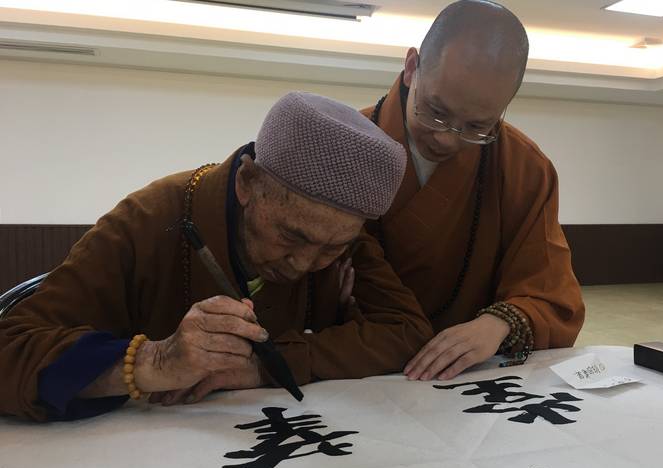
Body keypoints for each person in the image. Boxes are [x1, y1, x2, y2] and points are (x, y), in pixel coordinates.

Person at [0, 92, 433, 421]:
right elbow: (10, 348)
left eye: (333, 249)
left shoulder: (339, 235)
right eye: (289, 235)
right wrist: (154, 361)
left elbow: (407, 331)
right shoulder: (147, 219)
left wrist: (269, 365)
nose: (303, 265)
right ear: (247, 180)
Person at [357, 0, 585, 382]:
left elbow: (552, 295)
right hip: (358, 365)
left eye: (478, 126)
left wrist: (498, 325)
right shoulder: (344, 144)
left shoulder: (524, 168)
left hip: (465, 375)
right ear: (412, 67)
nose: (447, 139)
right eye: (436, 112)